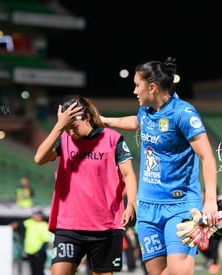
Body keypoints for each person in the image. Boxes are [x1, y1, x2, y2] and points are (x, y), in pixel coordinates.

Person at [100, 57, 219, 275]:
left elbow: (208, 157)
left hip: (180, 206)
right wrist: (105, 121)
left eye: (137, 85)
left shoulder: (183, 113)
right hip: (147, 209)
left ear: (152, 87)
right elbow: (137, 122)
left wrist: (210, 201)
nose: (135, 91)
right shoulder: (146, 110)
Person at [34, 95, 138, 275]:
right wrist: (60, 127)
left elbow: (128, 175)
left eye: (73, 127)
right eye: (67, 128)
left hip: (105, 225)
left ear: (87, 118)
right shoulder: (64, 138)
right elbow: (39, 159)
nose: (71, 132)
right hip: (69, 225)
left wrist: (131, 204)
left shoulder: (113, 139)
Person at [23, 210, 52, 275]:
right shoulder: (30, 223)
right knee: (33, 271)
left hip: (39, 253)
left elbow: (46, 241)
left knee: (39, 271)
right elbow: (21, 224)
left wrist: (39, 252)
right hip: (30, 252)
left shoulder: (44, 225)